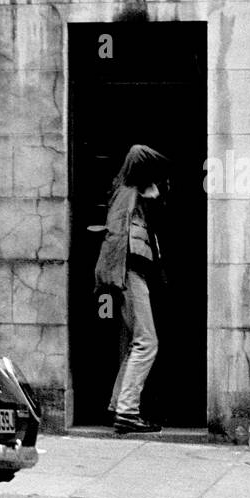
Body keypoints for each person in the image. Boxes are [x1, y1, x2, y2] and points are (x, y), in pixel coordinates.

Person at [94, 144, 170, 435]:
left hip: (127, 273)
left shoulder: (127, 192)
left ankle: (119, 405)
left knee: (136, 342)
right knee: (147, 342)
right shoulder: (128, 193)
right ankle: (127, 412)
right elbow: (117, 238)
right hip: (128, 274)